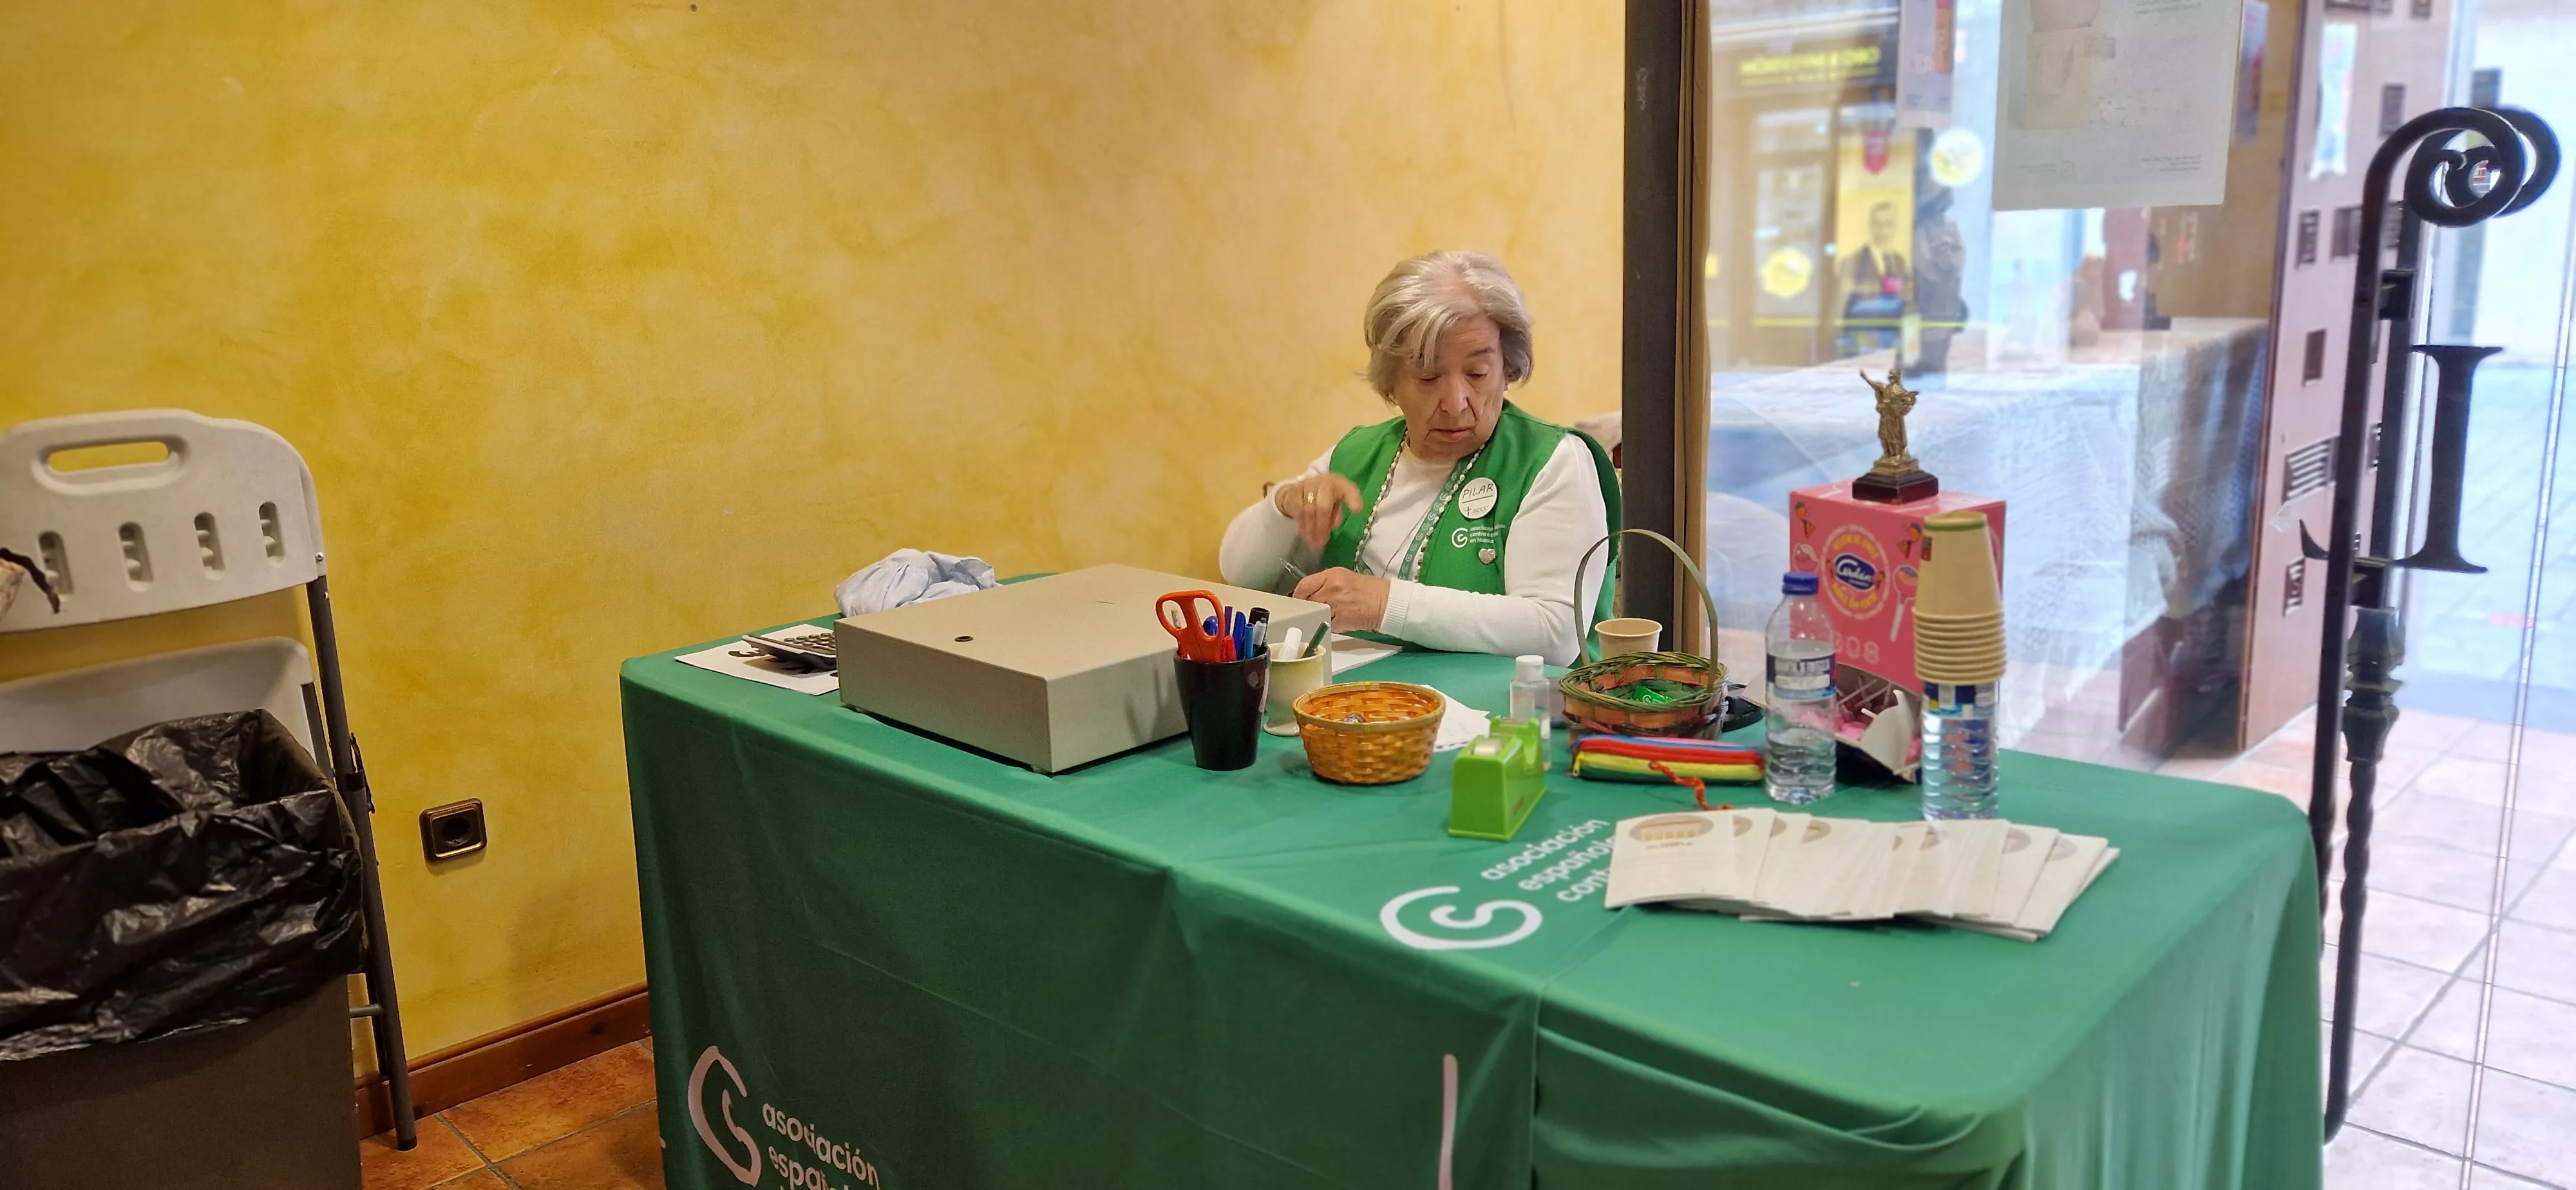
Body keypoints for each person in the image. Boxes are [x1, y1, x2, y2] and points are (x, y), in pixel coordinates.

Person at [1219, 251, 1619, 666]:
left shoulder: (1553, 460)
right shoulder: (1356, 455)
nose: (1456, 402)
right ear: (1390, 380)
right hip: (1366, 698)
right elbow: (1240, 574)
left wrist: (1383, 604)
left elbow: (1555, 633)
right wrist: (1284, 505)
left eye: (1478, 374)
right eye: (1428, 377)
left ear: (1507, 368)